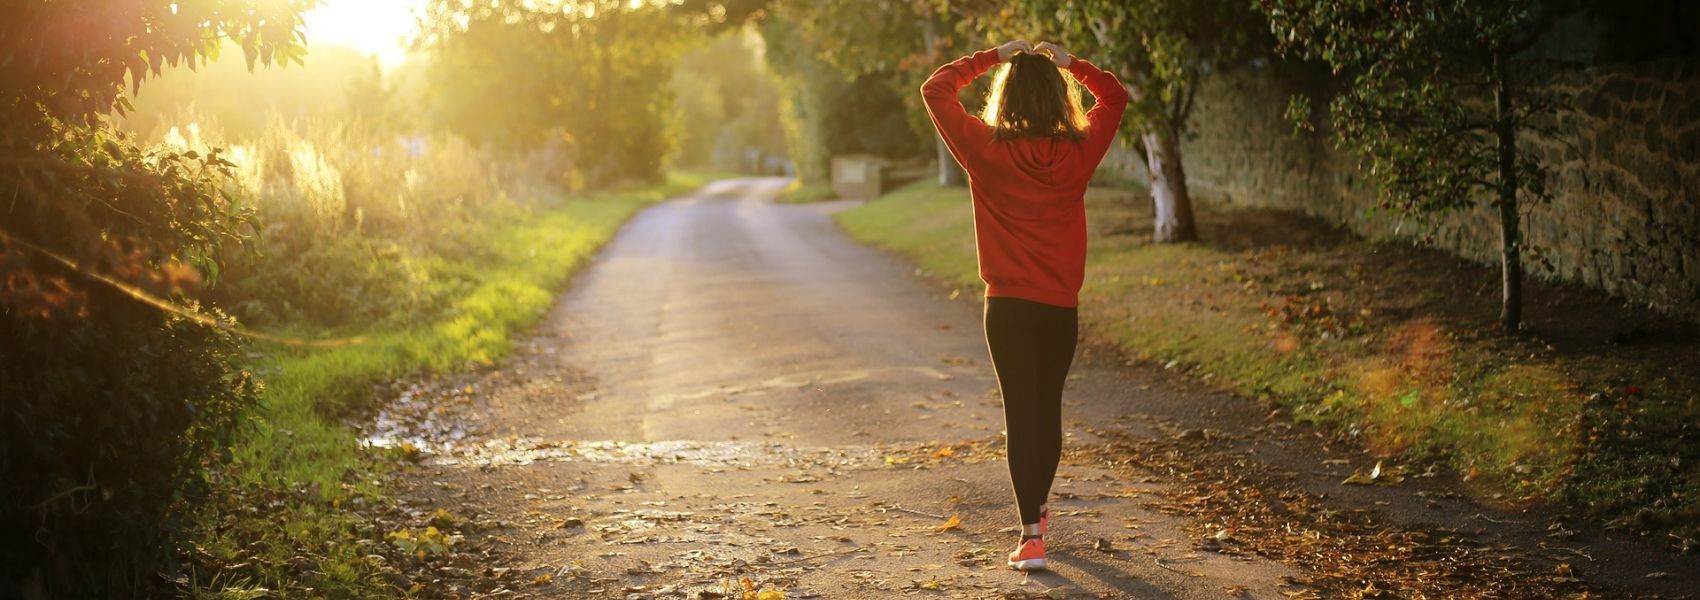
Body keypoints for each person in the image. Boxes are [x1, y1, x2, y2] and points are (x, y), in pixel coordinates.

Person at [919, 39, 1130, 572]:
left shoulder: (984, 148)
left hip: (1007, 306)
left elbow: (936, 89)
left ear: (1005, 98)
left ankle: (1031, 535)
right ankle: (1036, 514)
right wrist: (1071, 64)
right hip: (1059, 307)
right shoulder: (1080, 150)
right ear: (1060, 99)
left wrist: (992, 56)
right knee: (1047, 409)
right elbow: (1115, 95)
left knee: (1021, 414)